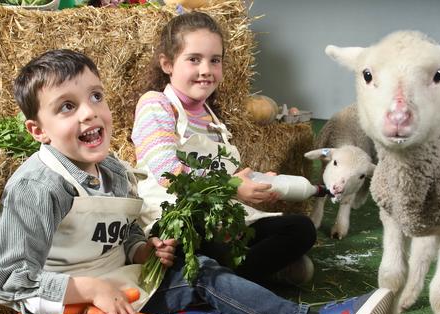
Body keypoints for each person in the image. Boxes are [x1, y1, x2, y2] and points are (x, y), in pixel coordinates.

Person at [0, 48, 394, 314]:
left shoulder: (112, 169)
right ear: (38, 131)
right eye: (67, 106)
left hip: (128, 286)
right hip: (68, 313)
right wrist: (91, 290)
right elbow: (9, 282)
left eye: (95, 96)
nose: (90, 111)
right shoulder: (38, 188)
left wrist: (143, 250)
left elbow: (124, 228)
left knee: (202, 270)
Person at [132, 11, 317, 286]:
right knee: (190, 233)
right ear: (167, 64)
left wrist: (255, 184)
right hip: (175, 218)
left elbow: (225, 177)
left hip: (220, 222)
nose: (206, 69)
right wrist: (232, 186)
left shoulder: (214, 118)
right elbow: (168, 174)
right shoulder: (156, 104)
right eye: (194, 59)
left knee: (301, 229)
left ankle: (227, 278)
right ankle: (243, 277)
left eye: (214, 60)